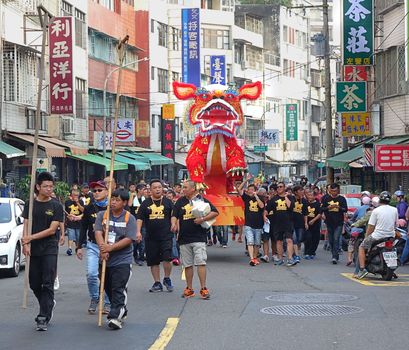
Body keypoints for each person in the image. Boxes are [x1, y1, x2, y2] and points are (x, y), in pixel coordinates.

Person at [22, 172, 64, 331]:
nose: (49, 189)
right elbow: (26, 223)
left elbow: (52, 230)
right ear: (38, 187)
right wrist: (25, 242)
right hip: (33, 248)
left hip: (49, 247)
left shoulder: (56, 206)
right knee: (34, 282)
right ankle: (48, 303)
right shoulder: (29, 204)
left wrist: (30, 237)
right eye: (45, 186)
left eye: (51, 186)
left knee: (47, 281)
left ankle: (43, 316)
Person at [94, 189, 136, 330]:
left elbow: (129, 239)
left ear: (124, 202)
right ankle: (120, 310)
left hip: (122, 260)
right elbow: (98, 232)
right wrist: (103, 248)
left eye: (117, 200)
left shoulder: (129, 218)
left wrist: (111, 248)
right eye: (112, 199)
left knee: (118, 287)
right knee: (107, 287)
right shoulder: (102, 215)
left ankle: (115, 317)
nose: (113, 202)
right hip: (105, 259)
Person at [171, 180, 218, 299]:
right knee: (187, 265)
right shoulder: (180, 201)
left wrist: (202, 219)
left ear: (192, 189)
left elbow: (215, 212)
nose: (183, 189)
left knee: (201, 262)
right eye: (182, 187)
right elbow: (174, 215)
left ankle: (203, 288)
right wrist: (174, 224)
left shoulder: (201, 200)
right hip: (184, 238)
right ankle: (189, 288)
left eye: (185, 187)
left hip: (198, 237)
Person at [76, 180, 111, 315]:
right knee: (91, 274)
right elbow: (84, 226)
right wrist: (79, 246)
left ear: (106, 191)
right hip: (93, 245)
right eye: (94, 191)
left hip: (109, 246)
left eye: (99, 190)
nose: (96, 193)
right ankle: (95, 298)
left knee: (107, 275)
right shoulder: (90, 208)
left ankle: (108, 302)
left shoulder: (112, 206)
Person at [136, 179, 175, 293]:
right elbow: (139, 218)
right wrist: (138, 232)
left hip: (166, 235)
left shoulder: (168, 202)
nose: (158, 189)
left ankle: (167, 278)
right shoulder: (145, 203)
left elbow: (174, 215)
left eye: (159, 187)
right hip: (151, 237)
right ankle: (157, 282)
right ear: (150, 190)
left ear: (162, 189)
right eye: (155, 188)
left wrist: (174, 224)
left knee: (167, 258)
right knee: (153, 261)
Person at [357, 191, 398, 279]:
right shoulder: (395, 210)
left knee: (361, 247)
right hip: (391, 236)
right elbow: (396, 224)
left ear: (380, 200)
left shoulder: (376, 211)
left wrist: (366, 236)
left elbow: (371, 226)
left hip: (377, 236)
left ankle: (362, 269)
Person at [265, 182, 297, 266]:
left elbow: (290, 207)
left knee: (289, 240)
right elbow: (267, 209)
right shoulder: (273, 199)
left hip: (288, 222)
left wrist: (286, 196)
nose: (278, 188)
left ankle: (290, 259)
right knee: (278, 241)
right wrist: (264, 216)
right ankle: (280, 258)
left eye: (280, 187)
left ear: (284, 187)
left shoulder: (290, 197)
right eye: (277, 187)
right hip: (277, 223)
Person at [238, 178, 265, 266]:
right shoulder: (246, 198)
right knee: (250, 242)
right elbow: (239, 189)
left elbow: (261, 206)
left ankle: (255, 257)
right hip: (248, 224)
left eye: (252, 190)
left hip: (258, 224)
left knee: (257, 243)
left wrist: (256, 196)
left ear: (256, 191)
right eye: (249, 190)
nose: (250, 191)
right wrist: (245, 180)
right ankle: (252, 258)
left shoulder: (260, 198)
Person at [321, 183, 348, 264]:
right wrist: (327, 208)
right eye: (332, 191)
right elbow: (321, 208)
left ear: (338, 190)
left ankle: (335, 257)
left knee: (336, 239)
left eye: (335, 191)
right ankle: (333, 253)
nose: (334, 192)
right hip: (329, 222)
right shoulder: (326, 199)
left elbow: (345, 209)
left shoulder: (342, 199)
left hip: (339, 222)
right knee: (331, 240)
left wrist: (339, 207)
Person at [128, 183, 146, 266]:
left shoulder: (144, 199)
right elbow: (129, 205)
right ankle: (135, 255)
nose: (144, 191)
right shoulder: (134, 197)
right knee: (135, 242)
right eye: (143, 189)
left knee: (142, 241)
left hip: (143, 222)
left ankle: (141, 257)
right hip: (134, 222)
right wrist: (132, 195)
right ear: (139, 190)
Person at [304, 188, 322, 259]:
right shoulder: (305, 203)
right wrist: (305, 222)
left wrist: (313, 220)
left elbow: (320, 214)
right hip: (307, 223)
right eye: (308, 195)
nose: (309, 197)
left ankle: (312, 252)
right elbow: (304, 213)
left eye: (311, 195)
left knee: (315, 238)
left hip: (316, 224)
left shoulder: (318, 204)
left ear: (314, 196)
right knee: (308, 238)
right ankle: (307, 252)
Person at [292, 185, 308, 262]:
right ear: (295, 192)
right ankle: (296, 255)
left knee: (299, 239)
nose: (302, 192)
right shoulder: (291, 199)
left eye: (302, 190)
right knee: (294, 239)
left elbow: (305, 213)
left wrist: (306, 223)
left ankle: (294, 253)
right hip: (291, 222)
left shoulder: (304, 201)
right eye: (300, 190)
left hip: (300, 223)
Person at [64, 189, 83, 256]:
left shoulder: (81, 201)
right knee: (71, 235)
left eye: (77, 195)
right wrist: (68, 217)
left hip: (79, 222)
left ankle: (77, 247)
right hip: (70, 222)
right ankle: (69, 248)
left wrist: (77, 203)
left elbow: (83, 211)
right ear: (71, 195)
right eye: (74, 195)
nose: (76, 196)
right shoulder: (67, 202)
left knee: (78, 237)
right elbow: (66, 212)